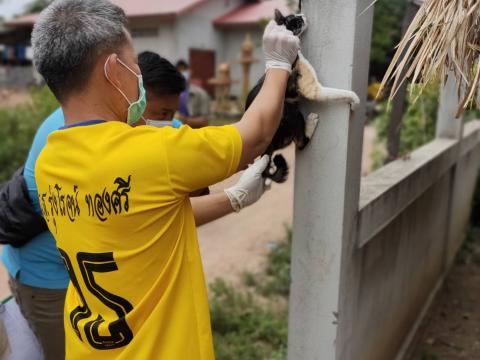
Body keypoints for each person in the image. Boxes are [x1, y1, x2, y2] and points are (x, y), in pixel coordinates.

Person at [32, 0, 299, 359]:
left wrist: (233, 198)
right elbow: (256, 134)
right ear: (114, 69)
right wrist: (279, 62)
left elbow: (147, 223)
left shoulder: (49, 162)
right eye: (134, 62)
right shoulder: (154, 152)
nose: (139, 76)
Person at [176, 59, 211, 128]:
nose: (181, 73)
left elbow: (205, 120)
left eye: (184, 70)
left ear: (189, 72)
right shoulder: (171, 93)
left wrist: (183, 120)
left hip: (193, 132)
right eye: (179, 71)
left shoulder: (201, 93)